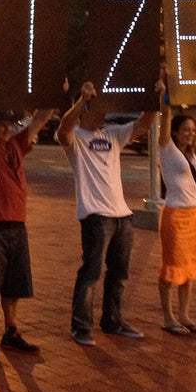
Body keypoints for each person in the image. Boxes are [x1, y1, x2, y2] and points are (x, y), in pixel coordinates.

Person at [56, 81, 157, 347]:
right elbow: (63, 128)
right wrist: (81, 102)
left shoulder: (112, 134)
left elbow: (145, 124)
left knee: (119, 274)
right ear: (86, 108)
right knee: (91, 273)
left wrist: (155, 94)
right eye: (97, 106)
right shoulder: (76, 138)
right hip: (96, 216)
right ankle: (80, 326)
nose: (104, 113)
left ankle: (113, 320)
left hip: (122, 215)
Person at [0, 64, 55, 361]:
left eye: (8, 124)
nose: (6, 129)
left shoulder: (16, 145)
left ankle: (11, 331)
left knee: (15, 283)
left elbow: (40, 119)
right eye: (0, 125)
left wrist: (55, 90)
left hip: (18, 226)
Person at [155, 76, 196, 335]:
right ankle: (168, 318)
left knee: (189, 269)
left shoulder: (190, 152)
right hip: (175, 216)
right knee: (172, 267)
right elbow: (165, 116)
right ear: (175, 132)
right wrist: (165, 94)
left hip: (193, 216)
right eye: (186, 130)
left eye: (192, 131)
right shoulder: (167, 148)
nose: (191, 134)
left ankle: (184, 315)